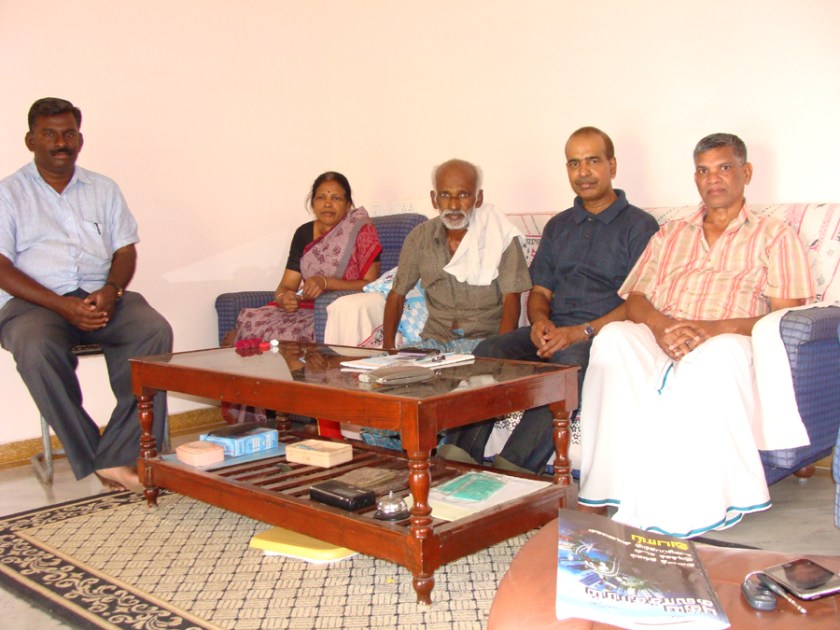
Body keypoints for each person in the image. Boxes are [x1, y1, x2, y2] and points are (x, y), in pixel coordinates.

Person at [577, 133, 814, 538]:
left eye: (724, 168)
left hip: (729, 339)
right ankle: (607, 488)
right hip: (665, 334)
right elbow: (636, 299)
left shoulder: (775, 236)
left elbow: (782, 317)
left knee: (718, 355)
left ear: (746, 172)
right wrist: (661, 328)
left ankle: (688, 505)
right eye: (703, 171)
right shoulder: (670, 234)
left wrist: (713, 330)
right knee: (613, 338)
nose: (712, 179)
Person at [438, 127, 659, 474]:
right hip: (554, 331)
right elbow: (540, 292)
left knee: (565, 367)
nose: (583, 172)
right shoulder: (558, 226)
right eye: (574, 163)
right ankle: (456, 457)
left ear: (612, 166)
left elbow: (639, 301)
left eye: (593, 161)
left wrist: (580, 332)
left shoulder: (640, 226)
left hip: (601, 336)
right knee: (489, 350)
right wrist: (540, 322)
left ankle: (515, 468)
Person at [0, 97, 173, 493]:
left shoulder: (103, 188)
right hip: (36, 304)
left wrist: (112, 290)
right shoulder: (8, 194)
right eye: (50, 134)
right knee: (34, 345)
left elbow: (124, 251)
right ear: (30, 141)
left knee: (152, 330)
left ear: (80, 139)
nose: (61, 143)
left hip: (101, 296)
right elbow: (2, 267)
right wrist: (61, 305)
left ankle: (120, 453)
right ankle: (96, 455)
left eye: (69, 134)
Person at [382, 158, 531, 353]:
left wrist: (499, 353)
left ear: (478, 198)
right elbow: (397, 294)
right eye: (445, 195)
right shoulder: (419, 238)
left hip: (484, 343)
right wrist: (387, 350)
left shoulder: (501, 236)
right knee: (397, 369)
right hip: (435, 343)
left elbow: (511, 299)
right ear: (434, 199)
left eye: (463, 194)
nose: (453, 205)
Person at [230, 171, 382, 346]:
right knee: (250, 322)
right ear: (313, 203)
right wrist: (284, 298)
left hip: (339, 310)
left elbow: (370, 285)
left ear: (348, 205)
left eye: (336, 198)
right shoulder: (303, 233)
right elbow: (286, 285)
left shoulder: (361, 230)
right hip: (304, 307)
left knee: (297, 333)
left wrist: (325, 282)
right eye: (321, 198)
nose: (327, 203)